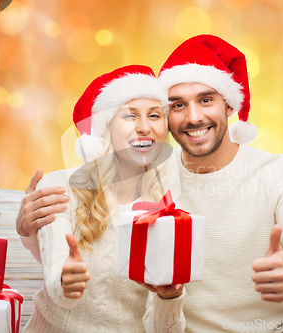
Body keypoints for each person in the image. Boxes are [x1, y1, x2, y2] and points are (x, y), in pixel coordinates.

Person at [18, 35, 283, 333]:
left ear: (229, 106)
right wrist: (29, 229)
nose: (193, 118)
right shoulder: (149, 174)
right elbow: (91, 236)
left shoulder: (274, 172)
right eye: (178, 105)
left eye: (206, 100)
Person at [20, 65, 186, 333]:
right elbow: (56, 279)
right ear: (106, 127)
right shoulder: (62, 186)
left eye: (154, 115)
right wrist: (66, 282)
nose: (144, 127)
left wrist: (169, 297)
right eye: (130, 116)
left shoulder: (171, 203)